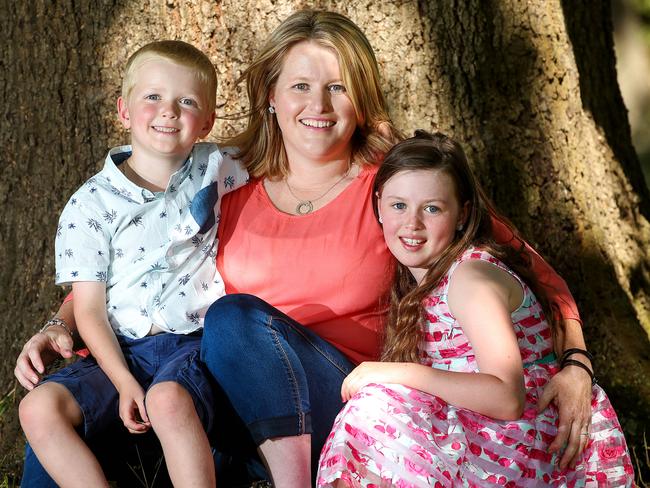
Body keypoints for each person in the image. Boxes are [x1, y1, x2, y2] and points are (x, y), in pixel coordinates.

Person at [15, 10, 594, 488]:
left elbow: (534, 274)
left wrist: (575, 364)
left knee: (234, 318)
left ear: (360, 100)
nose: (317, 104)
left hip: (337, 394)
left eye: (337, 87)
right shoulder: (226, 178)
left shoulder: (395, 185)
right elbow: (145, 255)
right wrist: (59, 323)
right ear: (270, 95)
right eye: (300, 86)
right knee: (61, 409)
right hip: (212, 394)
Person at [316, 131, 633, 487]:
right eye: (398, 205)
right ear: (378, 206)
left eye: (432, 208)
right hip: (486, 435)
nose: (412, 223)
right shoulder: (424, 280)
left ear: (462, 214)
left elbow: (506, 396)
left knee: (372, 410)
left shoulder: (470, 278)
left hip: (529, 442)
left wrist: (393, 372)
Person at [17, 40, 248, 488]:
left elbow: (283, 154)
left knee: (167, 402)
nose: (169, 112)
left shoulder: (216, 165)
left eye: (187, 102)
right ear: (124, 110)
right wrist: (122, 382)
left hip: (190, 343)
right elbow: (87, 311)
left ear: (207, 121)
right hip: (118, 351)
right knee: (37, 408)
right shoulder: (89, 205)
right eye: (153, 97)